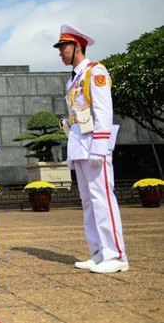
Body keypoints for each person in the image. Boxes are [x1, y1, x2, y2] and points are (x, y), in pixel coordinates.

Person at [55, 24, 128, 274]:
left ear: (77, 46)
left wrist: (100, 146)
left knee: (103, 198)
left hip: (94, 144)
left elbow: (104, 111)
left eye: (64, 46)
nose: (60, 51)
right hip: (79, 142)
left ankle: (116, 255)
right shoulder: (74, 79)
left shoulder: (95, 71)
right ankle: (98, 253)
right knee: (88, 201)